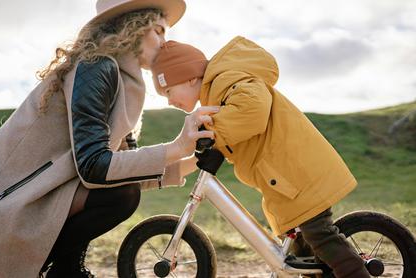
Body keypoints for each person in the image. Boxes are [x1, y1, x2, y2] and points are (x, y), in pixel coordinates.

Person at [0, 1, 219, 277]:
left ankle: (66, 270)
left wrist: (193, 158)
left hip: (31, 202)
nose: (164, 42)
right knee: (121, 196)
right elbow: (95, 168)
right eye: (158, 31)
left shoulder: (124, 82)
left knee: (121, 191)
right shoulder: (96, 68)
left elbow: (123, 171)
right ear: (132, 26)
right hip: (1, 210)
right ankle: (64, 271)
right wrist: (174, 148)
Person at [150, 38, 371, 278]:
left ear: (190, 77)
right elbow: (235, 131)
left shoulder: (227, 81)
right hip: (285, 182)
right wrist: (194, 157)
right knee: (302, 253)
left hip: (299, 174)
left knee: (320, 235)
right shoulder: (216, 97)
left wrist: (214, 132)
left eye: (168, 91)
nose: (169, 101)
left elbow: (252, 110)